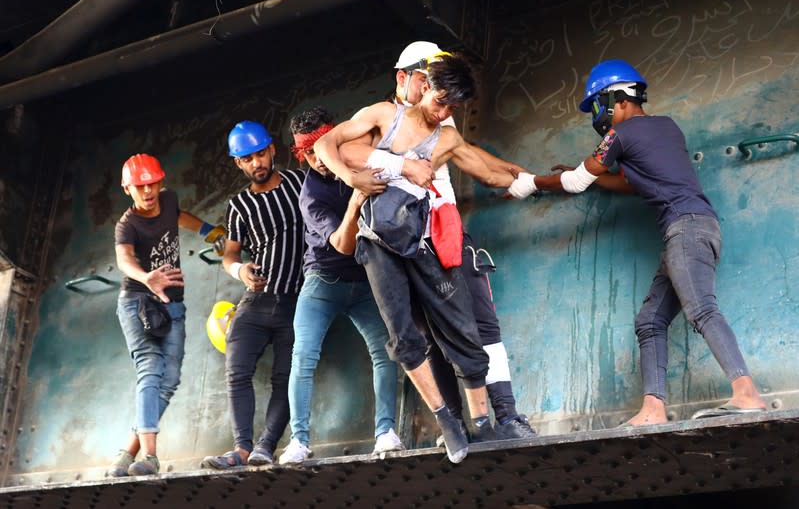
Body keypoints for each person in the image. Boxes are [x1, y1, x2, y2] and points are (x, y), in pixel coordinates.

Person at [506, 59, 767, 426]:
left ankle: (747, 394)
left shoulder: (621, 136)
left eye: (599, 105)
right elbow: (632, 182)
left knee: (702, 308)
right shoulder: (666, 128)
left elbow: (578, 181)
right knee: (650, 320)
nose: (598, 116)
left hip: (685, 230)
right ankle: (653, 410)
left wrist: (532, 182)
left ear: (619, 99)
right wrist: (593, 176)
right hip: (695, 229)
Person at [315, 52, 518, 463]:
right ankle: (447, 421)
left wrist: (534, 180)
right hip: (377, 242)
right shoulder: (383, 116)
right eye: (441, 100)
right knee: (404, 336)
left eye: (452, 107)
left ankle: (482, 424)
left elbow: (488, 170)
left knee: (462, 328)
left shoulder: (445, 137)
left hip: (423, 239)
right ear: (423, 85)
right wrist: (355, 176)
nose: (444, 111)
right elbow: (327, 144)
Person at [390, 41, 536, 442]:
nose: (435, 90)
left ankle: (505, 416)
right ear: (404, 78)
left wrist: (520, 177)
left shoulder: (442, 120)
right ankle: (457, 425)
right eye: (425, 80)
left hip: (448, 234)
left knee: (483, 326)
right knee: (430, 336)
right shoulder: (386, 122)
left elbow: (470, 156)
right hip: (410, 243)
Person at [277, 106, 404, 465]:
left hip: (365, 280)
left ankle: (386, 433)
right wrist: (356, 195)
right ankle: (298, 441)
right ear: (301, 154)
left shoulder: (361, 158)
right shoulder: (311, 194)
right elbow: (342, 244)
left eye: (322, 145)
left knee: (387, 352)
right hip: (324, 282)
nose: (318, 157)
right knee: (303, 357)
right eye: (308, 151)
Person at [107, 153, 225, 477]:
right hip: (137, 302)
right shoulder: (127, 224)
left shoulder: (168, 200)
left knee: (169, 379)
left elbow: (179, 216)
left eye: (152, 184)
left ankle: (126, 453)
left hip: (172, 304)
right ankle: (150, 456)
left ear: (161, 181)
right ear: (126, 188)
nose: (147, 191)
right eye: (139, 186)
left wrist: (209, 232)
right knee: (150, 368)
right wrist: (147, 277)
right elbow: (124, 260)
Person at [200, 121, 306, 469]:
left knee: (285, 376)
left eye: (260, 153)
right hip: (256, 302)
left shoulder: (298, 182)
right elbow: (230, 255)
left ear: (272, 149)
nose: (256, 162)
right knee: (236, 370)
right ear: (238, 164)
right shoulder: (239, 206)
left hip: (298, 301)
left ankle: (265, 446)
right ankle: (242, 449)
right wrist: (240, 270)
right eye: (247, 158)